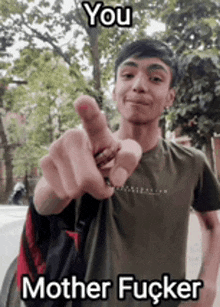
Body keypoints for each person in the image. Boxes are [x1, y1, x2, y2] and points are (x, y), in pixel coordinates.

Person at [19, 39, 220, 307]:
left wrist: (206, 283)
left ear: (170, 97)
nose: (138, 85)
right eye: (128, 74)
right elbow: (48, 205)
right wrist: (49, 192)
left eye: (156, 78)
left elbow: (212, 224)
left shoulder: (192, 163)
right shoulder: (90, 157)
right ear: (115, 91)